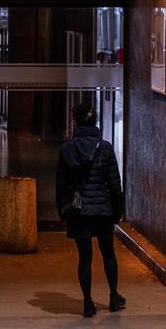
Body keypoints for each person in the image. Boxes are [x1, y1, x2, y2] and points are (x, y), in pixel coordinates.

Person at [56, 103, 125, 318]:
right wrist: (117, 212)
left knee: (85, 258)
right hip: (103, 209)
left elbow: (61, 185)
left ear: (75, 122)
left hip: (79, 211)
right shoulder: (105, 148)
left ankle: (87, 303)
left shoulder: (67, 149)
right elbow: (115, 184)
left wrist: (62, 211)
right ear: (95, 122)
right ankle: (113, 297)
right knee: (108, 254)